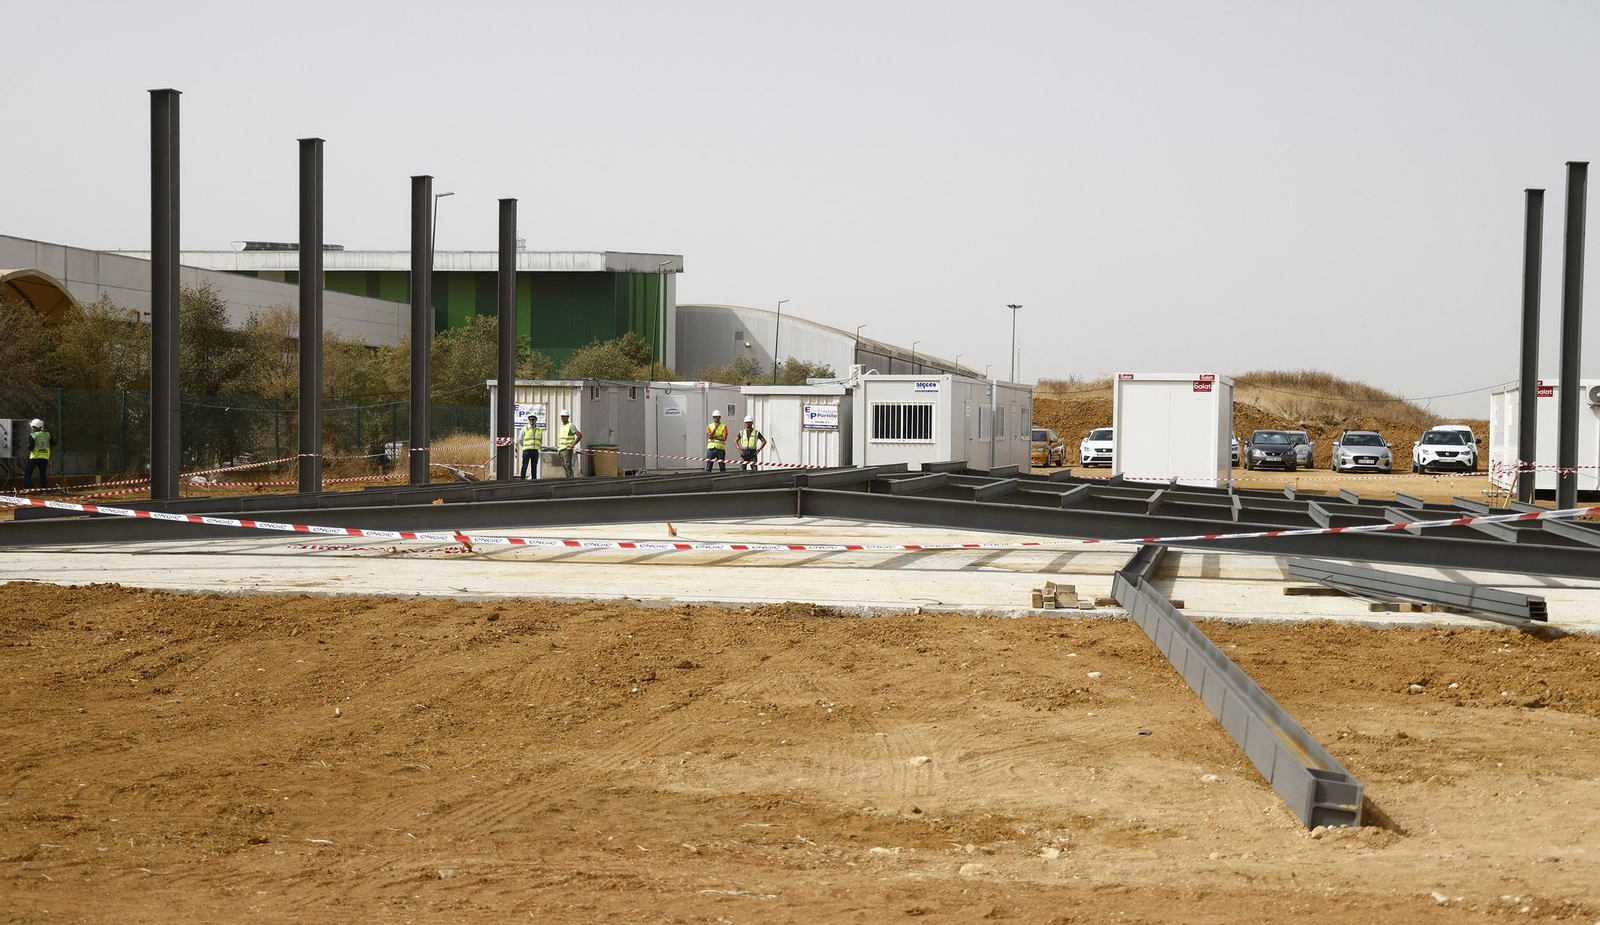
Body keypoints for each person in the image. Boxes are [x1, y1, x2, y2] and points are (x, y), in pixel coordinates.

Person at [25, 418, 52, 490]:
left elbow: (30, 447)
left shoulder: (33, 435)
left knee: (28, 473)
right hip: (45, 457)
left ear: (34, 427)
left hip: (34, 457)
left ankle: (28, 489)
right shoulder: (47, 435)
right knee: (43, 474)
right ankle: (44, 490)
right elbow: (54, 445)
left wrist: (27, 446)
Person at [556, 410, 582, 478]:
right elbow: (561, 440)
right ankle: (567, 478)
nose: (562, 418)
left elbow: (579, 435)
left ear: (568, 417)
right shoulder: (562, 427)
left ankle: (570, 479)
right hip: (562, 449)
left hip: (567, 449)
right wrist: (558, 451)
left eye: (564, 416)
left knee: (568, 465)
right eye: (561, 416)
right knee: (564, 466)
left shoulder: (570, 426)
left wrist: (573, 444)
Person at [519, 414, 544, 480]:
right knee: (524, 466)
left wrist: (537, 446)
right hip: (527, 451)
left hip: (535, 451)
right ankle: (522, 479)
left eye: (533, 419)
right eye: (530, 419)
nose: (531, 421)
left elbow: (540, 440)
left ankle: (534, 480)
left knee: (534, 466)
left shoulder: (539, 429)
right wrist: (524, 445)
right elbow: (520, 439)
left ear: (536, 420)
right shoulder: (525, 428)